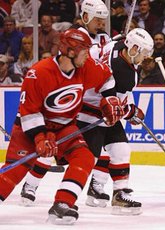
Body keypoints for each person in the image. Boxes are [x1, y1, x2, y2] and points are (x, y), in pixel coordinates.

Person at [0, 28, 123, 225]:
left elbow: (107, 77)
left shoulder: (86, 67)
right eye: (84, 51)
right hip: (30, 128)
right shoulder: (38, 73)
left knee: (84, 157)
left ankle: (62, 204)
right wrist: (40, 138)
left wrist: (110, 101)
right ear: (71, 51)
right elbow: (29, 112)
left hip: (64, 127)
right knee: (14, 171)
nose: (87, 56)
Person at [19, 0, 112, 206]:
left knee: (98, 152)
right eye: (97, 19)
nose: (101, 23)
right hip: (73, 106)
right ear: (86, 16)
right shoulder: (75, 36)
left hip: (86, 103)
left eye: (103, 20)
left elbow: (103, 69)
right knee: (54, 146)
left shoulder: (104, 38)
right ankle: (31, 185)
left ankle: (92, 190)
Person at [81, 28, 153, 214]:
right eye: (144, 53)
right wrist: (133, 112)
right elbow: (115, 107)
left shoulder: (117, 45)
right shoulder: (125, 75)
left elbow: (108, 44)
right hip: (92, 111)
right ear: (134, 49)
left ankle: (114, 192)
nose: (145, 58)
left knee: (119, 149)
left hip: (92, 103)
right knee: (87, 157)